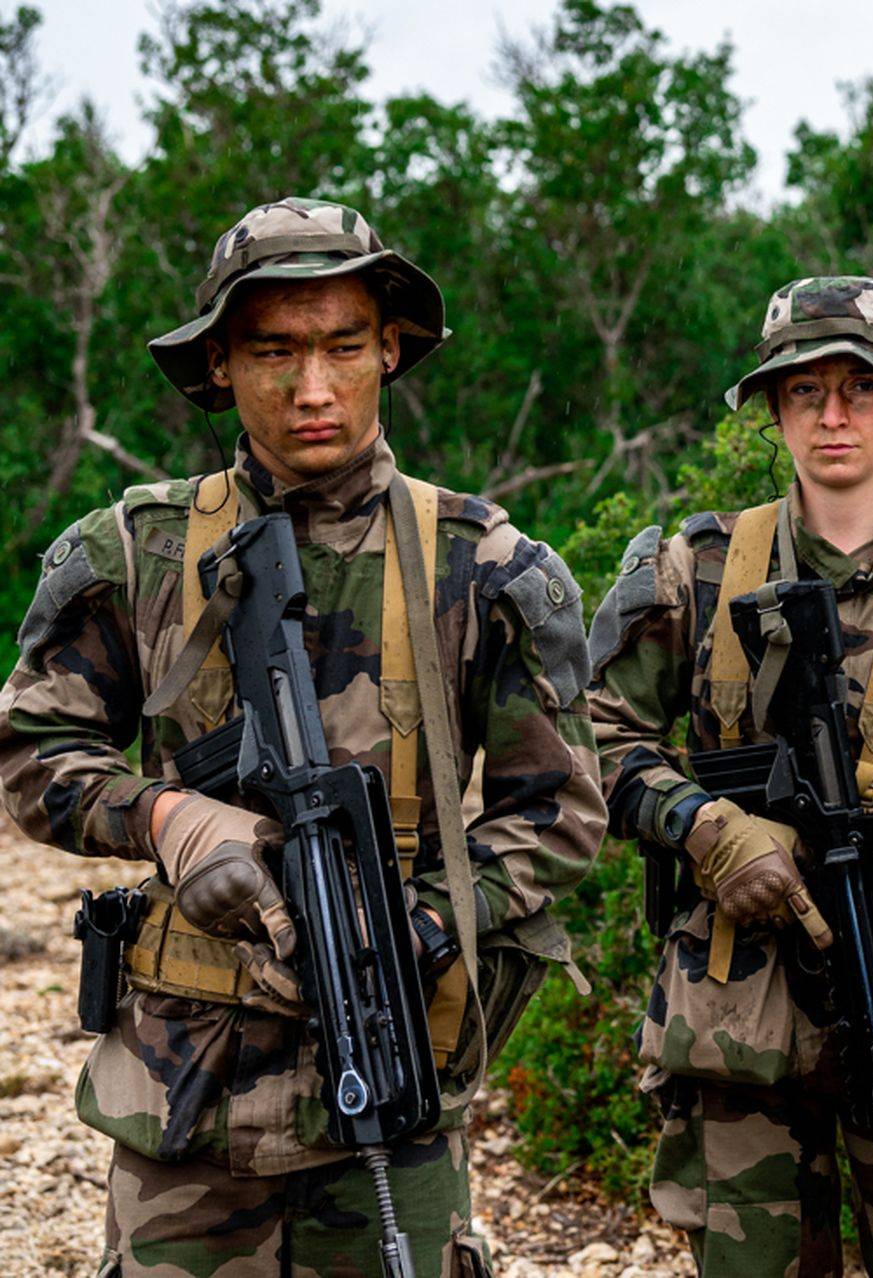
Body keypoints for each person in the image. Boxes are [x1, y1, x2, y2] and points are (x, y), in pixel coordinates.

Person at [0, 197, 607, 1277]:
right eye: (274, 350)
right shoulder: (133, 553)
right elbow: (32, 751)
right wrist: (170, 818)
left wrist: (415, 931)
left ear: (390, 351)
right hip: (184, 1099)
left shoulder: (487, 568)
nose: (312, 387)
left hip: (393, 1067)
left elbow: (555, 816)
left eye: (341, 347)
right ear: (223, 364)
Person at [587, 275, 873, 1277]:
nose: (834, 416)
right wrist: (706, 826)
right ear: (773, 408)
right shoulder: (696, 574)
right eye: (807, 392)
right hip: (742, 1020)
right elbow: (589, 735)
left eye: (863, 388)